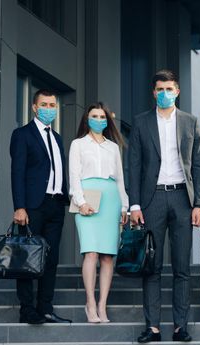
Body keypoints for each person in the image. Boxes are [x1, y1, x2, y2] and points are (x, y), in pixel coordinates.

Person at [129, 69, 200, 343]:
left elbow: (197, 165)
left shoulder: (190, 122)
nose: (164, 93)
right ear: (153, 92)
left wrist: (198, 203)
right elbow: (134, 165)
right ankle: (153, 328)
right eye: (159, 89)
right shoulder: (141, 122)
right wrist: (134, 205)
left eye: (169, 89)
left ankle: (179, 327)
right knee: (152, 267)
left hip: (182, 201)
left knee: (182, 267)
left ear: (177, 91)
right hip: (152, 200)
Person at [10, 89, 72, 324]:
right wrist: (19, 206)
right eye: (44, 104)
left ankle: (45, 307)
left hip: (56, 205)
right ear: (35, 107)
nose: (49, 108)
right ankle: (27, 310)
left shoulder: (57, 138)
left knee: (51, 258)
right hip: (32, 206)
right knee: (27, 257)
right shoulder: (22, 135)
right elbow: (17, 173)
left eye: (53, 104)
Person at [68, 102, 129, 323]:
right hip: (87, 197)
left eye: (102, 117)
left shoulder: (113, 147)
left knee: (107, 257)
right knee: (90, 252)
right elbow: (74, 176)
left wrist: (124, 206)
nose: (99, 120)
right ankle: (90, 303)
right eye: (94, 116)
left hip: (111, 198)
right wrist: (81, 201)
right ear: (87, 119)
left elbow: (120, 179)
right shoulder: (78, 144)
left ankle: (102, 305)